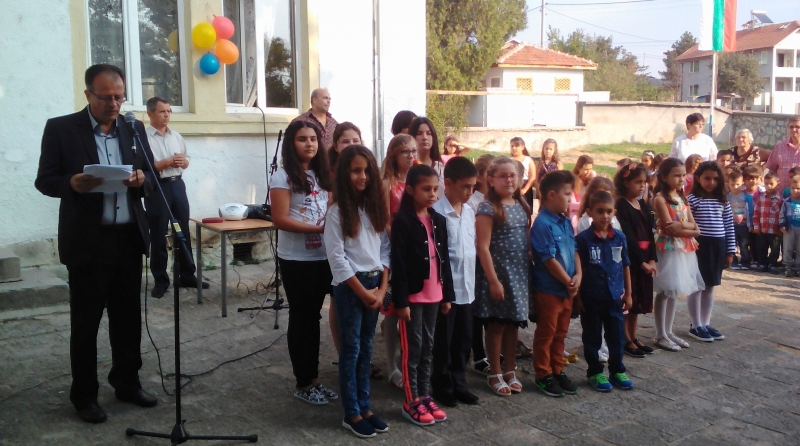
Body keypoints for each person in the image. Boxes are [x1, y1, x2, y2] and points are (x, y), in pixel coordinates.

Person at [35, 64, 157, 423]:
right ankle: (85, 395)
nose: (114, 104)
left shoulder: (133, 129)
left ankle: (127, 382)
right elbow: (45, 180)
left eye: (119, 97)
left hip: (127, 238)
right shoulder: (61, 129)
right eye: (105, 97)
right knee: (86, 323)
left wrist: (142, 180)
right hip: (88, 242)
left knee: (128, 318)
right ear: (88, 94)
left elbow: (152, 175)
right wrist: (71, 184)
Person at [268, 120, 337, 404]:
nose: (309, 143)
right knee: (303, 318)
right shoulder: (282, 177)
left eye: (313, 139)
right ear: (291, 144)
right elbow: (280, 219)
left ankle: (315, 379)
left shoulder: (324, 175)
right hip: (298, 259)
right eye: (302, 139)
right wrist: (320, 229)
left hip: (325, 256)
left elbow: (330, 208)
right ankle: (305, 383)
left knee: (317, 318)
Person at [324, 145, 390, 438]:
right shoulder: (337, 213)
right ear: (344, 174)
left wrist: (382, 288)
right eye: (355, 171)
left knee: (367, 348)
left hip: (375, 285)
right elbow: (337, 258)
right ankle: (351, 412)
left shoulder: (374, 209)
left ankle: (366, 407)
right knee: (351, 350)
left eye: (367, 171)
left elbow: (385, 250)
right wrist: (363, 292)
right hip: (352, 288)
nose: (362, 176)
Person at [391, 164, 454, 426]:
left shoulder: (438, 220)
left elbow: (445, 260)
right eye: (426, 189)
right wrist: (401, 301)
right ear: (410, 189)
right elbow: (398, 263)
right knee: (413, 349)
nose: (432, 194)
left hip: (435, 295)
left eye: (435, 189)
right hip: (413, 297)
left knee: (428, 347)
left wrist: (447, 295)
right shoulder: (403, 221)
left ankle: (425, 395)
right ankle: (411, 400)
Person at [474, 157, 532, 397]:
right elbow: (482, 247)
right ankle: (495, 371)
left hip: (519, 272)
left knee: (513, 323)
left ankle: (510, 368)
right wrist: (493, 280)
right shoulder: (488, 207)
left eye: (513, 175)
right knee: (496, 324)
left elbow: (526, 239)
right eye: (503, 176)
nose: (509, 180)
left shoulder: (521, 205)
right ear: (491, 180)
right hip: (499, 273)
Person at [143, 96, 207, 298]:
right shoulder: (144, 138)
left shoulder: (176, 136)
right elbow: (144, 168)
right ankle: (161, 280)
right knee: (158, 233)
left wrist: (182, 162)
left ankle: (186, 275)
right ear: (150, 113)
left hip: (177, 185)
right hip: (157, 187)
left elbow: (186, 160)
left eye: (169, 111)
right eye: (162, 111)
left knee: (182, 230)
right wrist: (167, 162)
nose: (167, 115)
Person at [431, 157, 480, 407]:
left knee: (463, 339)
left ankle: (459, 383)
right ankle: (442, 385)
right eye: (465, 186)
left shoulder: (469, 211)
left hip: (467, 288)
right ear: (448, 184)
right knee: (444, 340)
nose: (470, 192)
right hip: (447, 290)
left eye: (473, 186)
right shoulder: (436, 213)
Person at [576, 191, 636, 392]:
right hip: (591, 297)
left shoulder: (619, 237)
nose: (605, 216)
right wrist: (578, 297)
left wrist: (628, 293)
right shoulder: (583, 239)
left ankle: (617, 370)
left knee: (617, 336)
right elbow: (579, 270)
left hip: (614, 296)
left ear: (614, 212)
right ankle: (595, 372)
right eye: (600, 211)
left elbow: (625, 265)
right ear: (589, 212)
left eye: (609, 211)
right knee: (592, 336)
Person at [530, 170, 581, 398]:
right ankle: (543, 374)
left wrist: (579, 275)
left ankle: (557, 368)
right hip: (549, 290)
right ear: (551, 195)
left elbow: (575, 249)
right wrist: (568, 280)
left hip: (566, 289)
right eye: (567, 194)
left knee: (561, 332)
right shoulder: (543, 224)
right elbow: (548, 260)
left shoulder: (565, 221)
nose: (571, 199)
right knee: (547, 333)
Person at [651, 158, 704, 352]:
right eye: (677, 175)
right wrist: (689, 229)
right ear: (664, 177)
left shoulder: (683, 197)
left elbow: (695, 228)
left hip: (683, 248)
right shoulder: (660, 199)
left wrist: (684, 227)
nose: (681, 179)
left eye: (683, 175)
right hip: (669, 249)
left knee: (674, 291)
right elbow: (669, 228)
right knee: (665, 290)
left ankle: (669, 330)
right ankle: (660, 333)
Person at [380, 133, 417, 388]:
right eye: (406, 152)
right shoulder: (388, 184)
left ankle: (409, 358)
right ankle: (391, 365)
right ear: (394, 155)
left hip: (415, 252)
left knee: (411, 307)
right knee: (392, 310)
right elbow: (384, 220)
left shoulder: (418, 180)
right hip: (395, 250)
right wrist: (400, 242)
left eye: (414, 151)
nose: (411, 156)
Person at [686, 162, 735, 342]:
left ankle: (705, 323)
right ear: (698, 178)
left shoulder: (723, 201)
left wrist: (730, 251)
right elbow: (688, 223)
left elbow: (729, 226)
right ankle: (696, 324)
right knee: (697, 285)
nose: (711, 182)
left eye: (715, 179)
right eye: (707, 178)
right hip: (700, 246)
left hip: (718, 245)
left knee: (710, 285)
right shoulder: (692, 200)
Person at [614, 163, 658, 357]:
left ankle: (633, 335)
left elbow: (650, 233)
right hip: (633, 260)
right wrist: (641, 262)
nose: (642, 186)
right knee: (629, 301)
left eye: (644, 182)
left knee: (639, 302)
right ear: (626, 182)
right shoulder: (622, 205)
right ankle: (625, 337)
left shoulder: (643, 205)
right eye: (637, 182)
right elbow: (629, 237)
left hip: (646, 257)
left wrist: (653, 259)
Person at [467, 153, 495, 375]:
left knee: (491, 309)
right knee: (477, 310)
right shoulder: (473, 202)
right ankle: (478, 354)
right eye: (490, 173)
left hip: (493, 259)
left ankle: (491, 350)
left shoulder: (494, 200)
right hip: (477, 260)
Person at [753, 172, 783, 274]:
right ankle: (762, 264)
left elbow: (782, 214)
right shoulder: (761, 197)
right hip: (763, 229)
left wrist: (781, 227)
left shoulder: (780, 199)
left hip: (775, 230)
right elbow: (756, 213)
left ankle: (772, 264)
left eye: (771, 183)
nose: (768, 186)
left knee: (775, 249)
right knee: (761, 247)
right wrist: (756, 226)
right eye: (766, 183)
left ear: (778, 184)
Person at [409, 117, 445, 196]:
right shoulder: (407, 167)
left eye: (429, 133)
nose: (424, 137)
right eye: (419, 133)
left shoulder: (441, 168)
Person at [727, 171, 754, 270]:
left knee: (744, 244)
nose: (735, 187)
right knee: (732, 244)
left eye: (737, 184)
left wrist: (744, 216)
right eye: (732, 184)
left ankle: (746, 261)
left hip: (744, 225)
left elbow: (751, 210)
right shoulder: (727, 197)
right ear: (728, 184)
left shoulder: (746, 197)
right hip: (731, 225)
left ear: (742, 184)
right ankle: (733, 261)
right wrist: (731, 217)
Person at [764, 116, 800, 189]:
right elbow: (772, 169)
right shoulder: (779, 146)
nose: (794, 129)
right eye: (791, 127)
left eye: (797, 127)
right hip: (781, 193)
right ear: (787, 129)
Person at [780, 175, 800, 278]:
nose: (795, 191)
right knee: (788, 247)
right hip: (789, 228)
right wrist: (782, 224)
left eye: (798, 188)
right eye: (793, 188)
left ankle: (798, 267)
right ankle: (787, 266)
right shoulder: (786, 201)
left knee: (799, 248)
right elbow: (782, 214)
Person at [509, 137, 537, 210]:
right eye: (512, 146)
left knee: (526, 209)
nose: (514, 148)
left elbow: (532, 176)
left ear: (522, 147)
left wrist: (525, 189)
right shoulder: (509, 160)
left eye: (516, 146)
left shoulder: (528, 160)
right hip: (513, 186)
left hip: (525, 187)